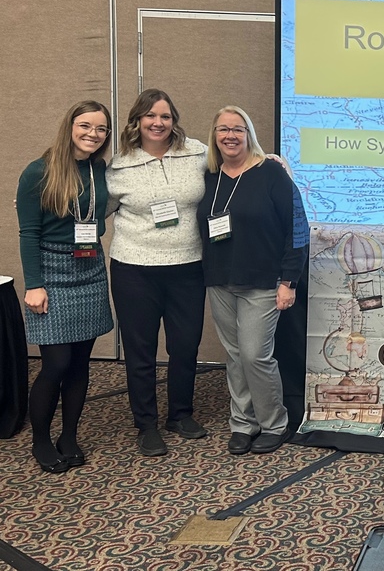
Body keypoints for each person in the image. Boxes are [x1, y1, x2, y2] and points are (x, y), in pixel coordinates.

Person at [197, 106, 309, 455]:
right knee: (234, 355)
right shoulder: (208, 177)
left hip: (264, 282)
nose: (230, 136)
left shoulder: (271, 174)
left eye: (237, 129)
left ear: (249, 135)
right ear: (214, 136)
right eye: (222, 129)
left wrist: (288, 281)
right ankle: (243, 423)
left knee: (255, 355)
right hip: (220, 279)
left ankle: (274, 423)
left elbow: (298, 230)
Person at [107, 89, 209, 457]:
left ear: (174, 120)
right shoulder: (119, 166)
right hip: (135, 269)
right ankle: (146, 424)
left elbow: (234, 167)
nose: (158, 123)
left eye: (165, 116)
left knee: (185, 346)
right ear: (137, 121)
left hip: (187, 266)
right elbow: (93, 209)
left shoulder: (197, 153)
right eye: (150, 116)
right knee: (141, 350)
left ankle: (180, 414)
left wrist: (270, 162)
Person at [16, 101, 115, 473]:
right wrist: (34, 285)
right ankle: (41, 440)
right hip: (51, 271)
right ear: (70, 126)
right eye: (85, 125)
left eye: (101, 129)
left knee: (79, 364)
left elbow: (103, 210)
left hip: (89, 267)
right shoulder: (38, 171)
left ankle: (69, 436)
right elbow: (28, 233)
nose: (93, 134)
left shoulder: (99, 168)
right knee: (55, 363)